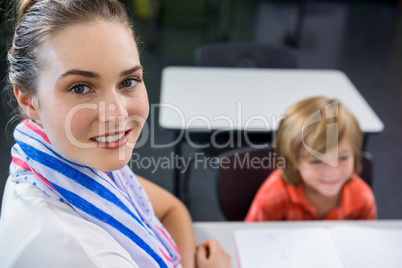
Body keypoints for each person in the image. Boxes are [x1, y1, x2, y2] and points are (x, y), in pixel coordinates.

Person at [0, 0, 231, 267]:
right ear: (29, 101)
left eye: (128, 81)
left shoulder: (54, 159)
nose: (118, 114)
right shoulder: (81, 253)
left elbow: (171, 209)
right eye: (80, 88)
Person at [245, 96, 377, 221]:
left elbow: (367, 241)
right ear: (292, 161)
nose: (332, 172)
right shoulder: (272, 197)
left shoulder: (362, 197)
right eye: (316, 161)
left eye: (343, 158)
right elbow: (250, 239)